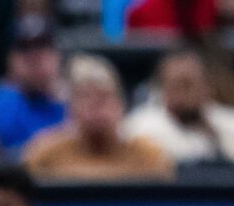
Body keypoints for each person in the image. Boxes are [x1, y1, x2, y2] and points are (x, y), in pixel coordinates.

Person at [123, 50, 234, 172]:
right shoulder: (142, 126)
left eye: (191, 84)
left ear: (208, 87)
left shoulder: (219, 119)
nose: (185, 93)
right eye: (178, 84)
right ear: (162, 89)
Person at [22, 54, 174, 180]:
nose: (96, 106)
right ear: (71, 108)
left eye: (104, 97)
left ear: (121, 105)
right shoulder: (44, 155)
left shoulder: (149, 156)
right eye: (85, 97)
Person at [0, 17, 65, 151]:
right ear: (10, 59)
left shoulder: (74, 103)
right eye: (24, 48)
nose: (34, 57)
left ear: (57, 56)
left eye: (42, 47)